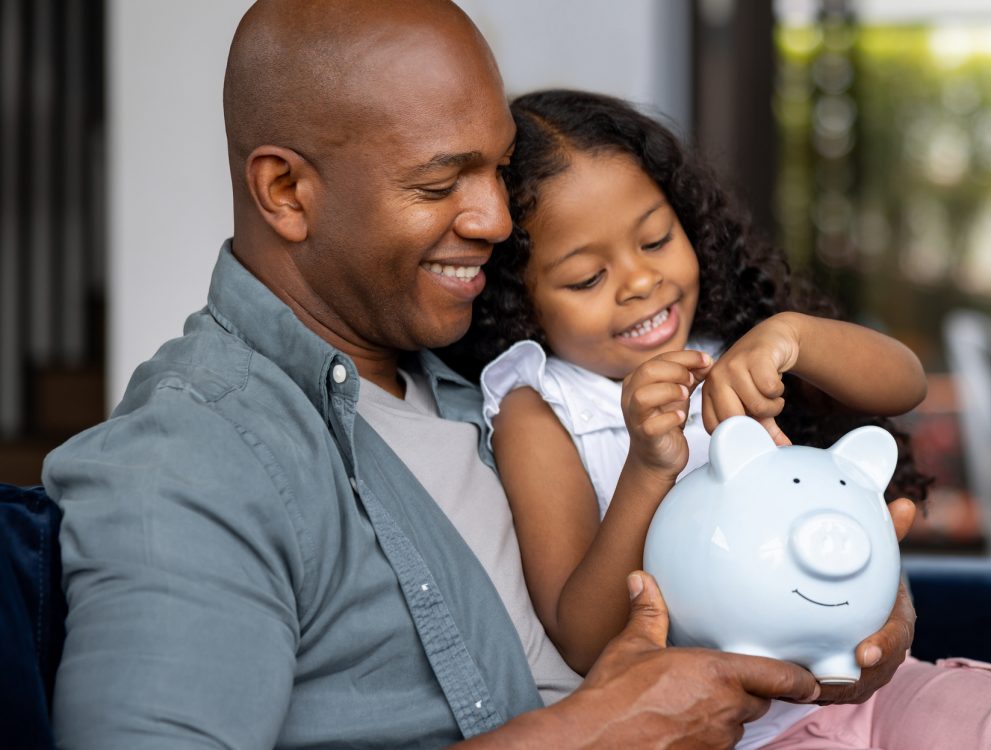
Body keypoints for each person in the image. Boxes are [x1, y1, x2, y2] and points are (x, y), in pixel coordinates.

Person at [41, 2, 915, 748]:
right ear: (286, 191)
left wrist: (851, 603)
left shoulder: (483, 372)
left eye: (496, 169)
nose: (498, 221)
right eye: (439, 183)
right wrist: (591, 735)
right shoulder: (189, 463)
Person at [444, 89, 991, 750]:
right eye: (587, 279)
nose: (639, 282)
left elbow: (901, 383)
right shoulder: (541, 408)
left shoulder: (733, 344)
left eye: (656, 240)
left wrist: (794, 336)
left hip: (872, 690)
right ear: (519, 300)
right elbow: (583, 635)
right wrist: (649, 465)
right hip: (731, 730)